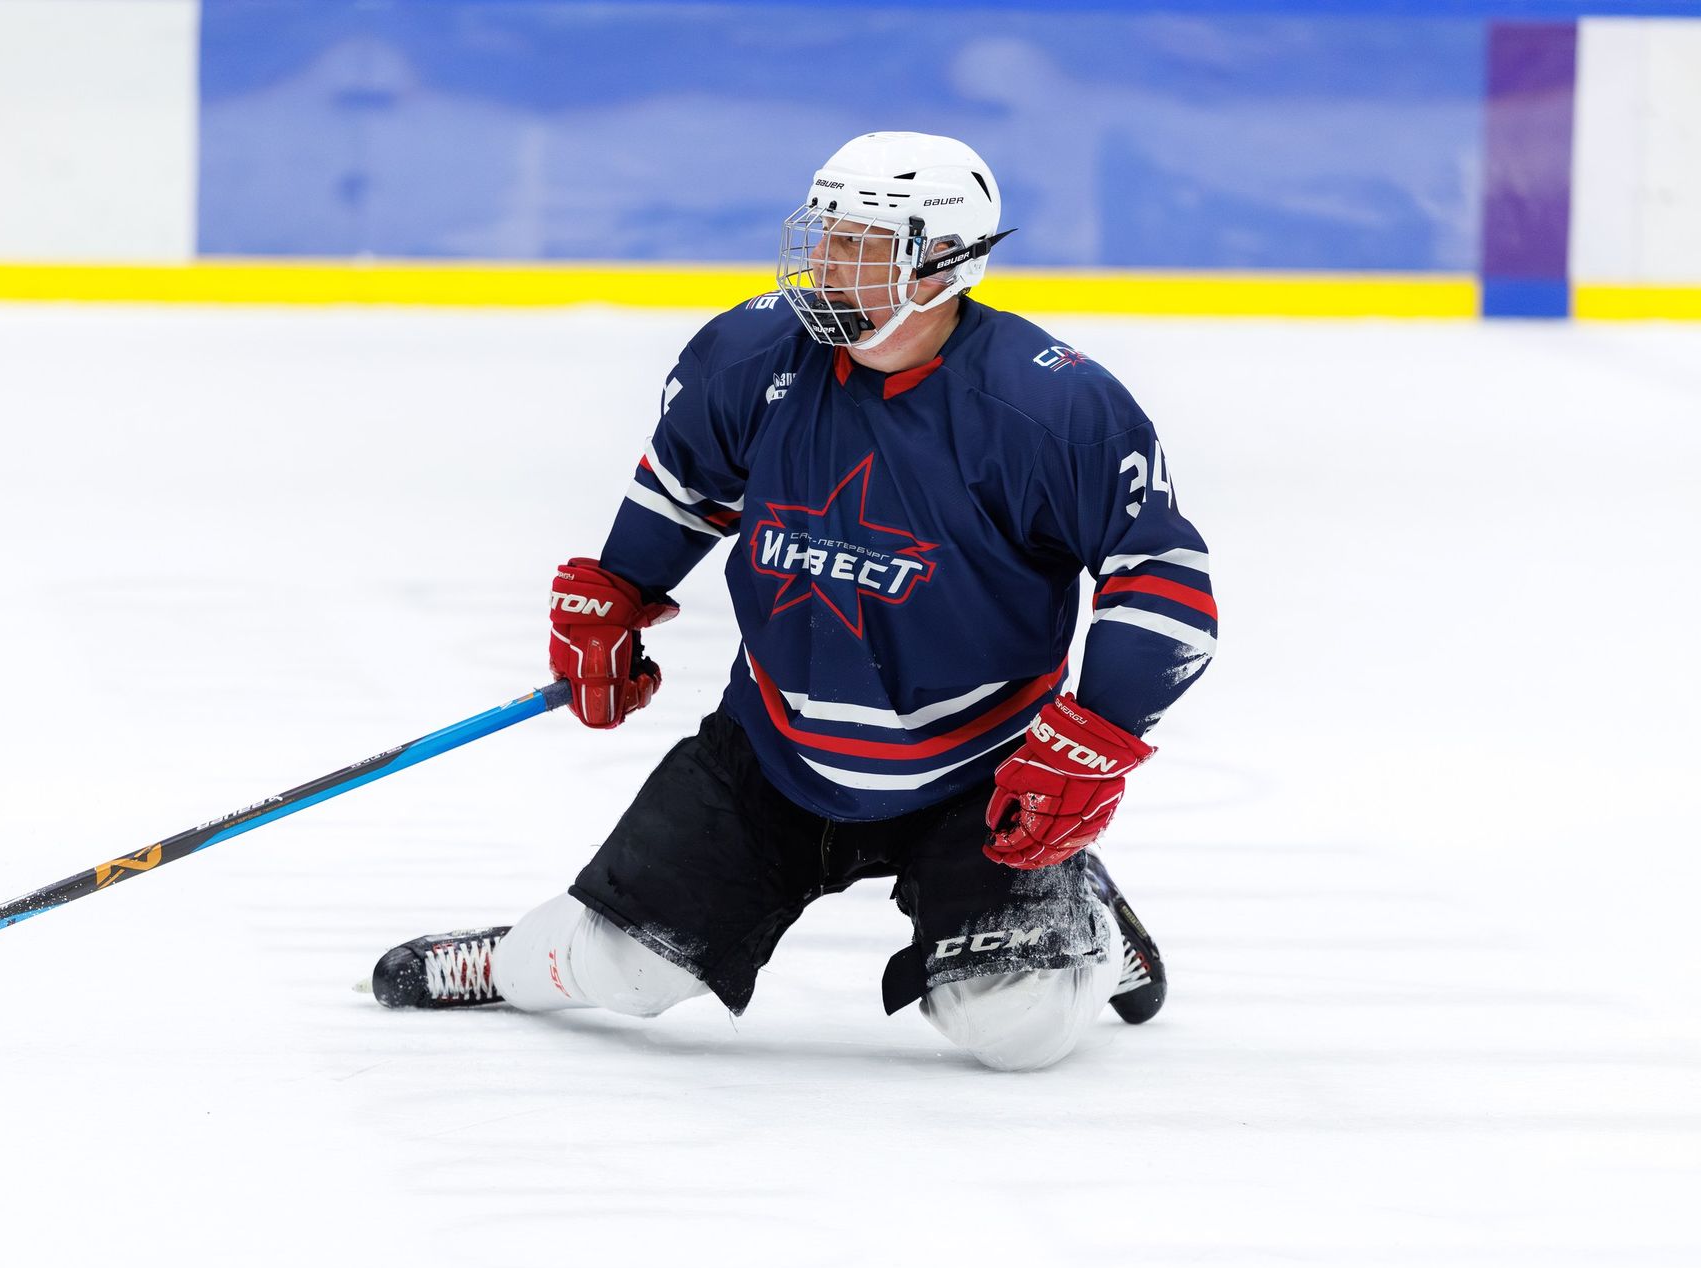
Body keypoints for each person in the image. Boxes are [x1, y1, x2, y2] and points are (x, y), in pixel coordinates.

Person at [369, 132, 1218, 1071]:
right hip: (775, 749)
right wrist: (618, 592)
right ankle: (506, 962)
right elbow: (683, 486)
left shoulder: (1052, 407)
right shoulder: (751, 355)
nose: (827, 262)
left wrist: (1095, 738)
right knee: (622, 968)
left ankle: (1086, 920)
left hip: (982, 766)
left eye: (863, 244)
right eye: (825, 235)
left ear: (944, 260)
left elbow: (1163, 577)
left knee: (1019, 1028)